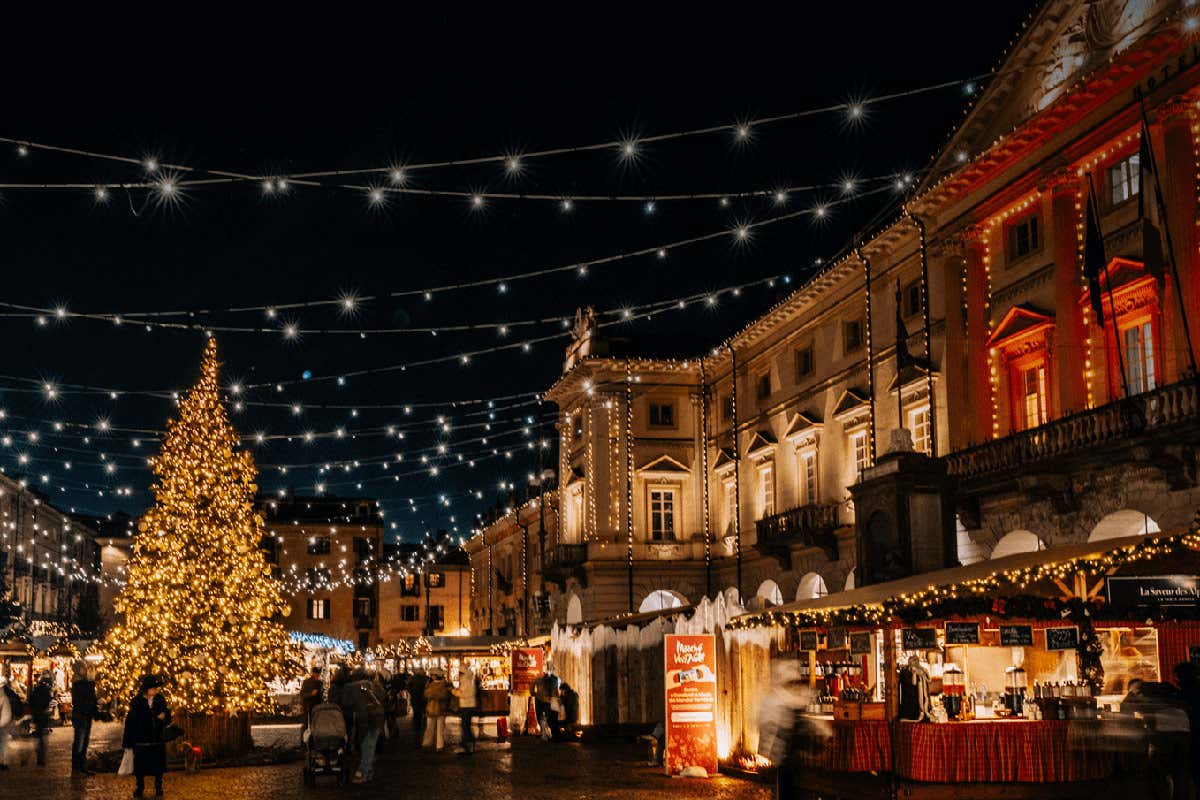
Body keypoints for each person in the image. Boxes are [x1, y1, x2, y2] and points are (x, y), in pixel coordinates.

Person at [123, 675, 170, 798]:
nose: (156, 691)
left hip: (156, 739)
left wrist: (164, 716)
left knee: (158, 765)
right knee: (140, 766)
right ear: (147, 689)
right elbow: (131, 722)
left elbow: (166, 713)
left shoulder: (160, 700)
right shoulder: (137, 702)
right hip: (141, 740)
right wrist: (128, 741)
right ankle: (140, 787)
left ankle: (158, 786)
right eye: (153, 688)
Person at [344, 667, 384, 783]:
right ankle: (367, 770)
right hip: (376, 718)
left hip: (362, 719)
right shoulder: (376, 686)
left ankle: (363, 772)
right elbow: (383, 699)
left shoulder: (351, 687)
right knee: (369, 745)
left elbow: (347, 704)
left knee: (365, 745)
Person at [70, 660, 100, 774]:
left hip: (85, 715)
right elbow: (81, 700)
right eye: (84, 668)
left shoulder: (85, 683)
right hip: (81, 716)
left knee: (83, 741)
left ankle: (80, 765)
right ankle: (78, 766)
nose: (86, 670)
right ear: (79, 670)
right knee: (80, 741)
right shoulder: (78, 683)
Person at [422, 669, 451, 751]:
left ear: (436, 676)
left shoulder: (434, 685)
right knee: (439, 728)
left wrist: (432, 693)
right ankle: (439, 745)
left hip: (433, 708)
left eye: (432, 675)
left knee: (431, 727)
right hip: (440, 709)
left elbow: (427, 694)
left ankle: (429, 743)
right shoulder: (444, 684)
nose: (431, 676)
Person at [29, 672, 53, 766]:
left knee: (39, 736)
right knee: (42, 737)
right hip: (43, 715)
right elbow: (48, 702)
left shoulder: (35, 689)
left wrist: (34, 711)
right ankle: (41, 757)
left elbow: (31, 701)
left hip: (37, 715)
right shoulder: (46, 691)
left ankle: (39, 756)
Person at [455, 665, 479, 754]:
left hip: (466, 706)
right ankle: (468, 743)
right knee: (466, 726)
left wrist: (454, 692)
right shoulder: (469, 680)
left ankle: (467, 744)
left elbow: (464, 694)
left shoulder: (466, 682)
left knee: (465, 726)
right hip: (468, 705)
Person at [532, 669, 560, 738]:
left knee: (541, 715)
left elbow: (531, 688)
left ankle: (544, 732)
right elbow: (556, 691)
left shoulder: (538, 679)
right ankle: (546, 732)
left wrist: (534, 694)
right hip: (547, 700)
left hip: (540, 699)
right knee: (546, 716)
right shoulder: (555, 679)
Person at [298, 666, 323, 740]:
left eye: (318, 673)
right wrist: (311, 694)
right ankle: (304, 740)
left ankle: (314, 739)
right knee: (306, 725)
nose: (317, 675)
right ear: (313, 673)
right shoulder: (307, 682)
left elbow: (320, 695)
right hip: (308, 706)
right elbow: (302, 694)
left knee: (316, 724)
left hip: (316, 707)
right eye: (316, 673)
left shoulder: (320, 683)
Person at [408, 668, 429, 745]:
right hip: (422, 699)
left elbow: (408, 687)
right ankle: (422, 725)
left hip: (415, 699)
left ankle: (417, 726)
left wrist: (412, 693)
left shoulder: (412, 678)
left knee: (416, 713)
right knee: (422, 712)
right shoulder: (426, 678)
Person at [0, 676, 17, 771]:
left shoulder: (3, 697)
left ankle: (3, 762)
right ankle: (3, 762)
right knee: (3, 743)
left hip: (3, 724)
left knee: (3, 743)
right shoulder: (7, 695)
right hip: (4, 723)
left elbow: (6, 712)